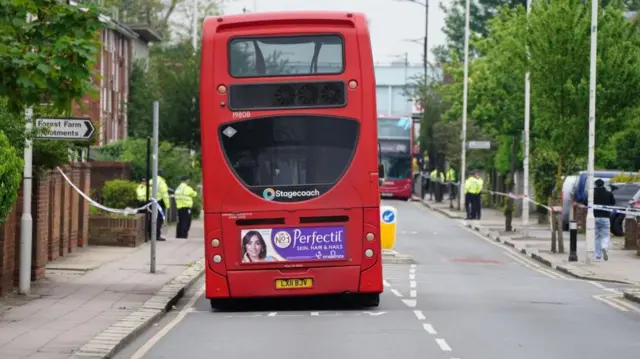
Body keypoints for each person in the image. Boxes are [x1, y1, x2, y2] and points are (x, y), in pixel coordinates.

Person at [589, 179, 615, 261]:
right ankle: (604, 246)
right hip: (605, 217)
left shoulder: (592, 194)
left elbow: (585, 202)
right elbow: (613, 203)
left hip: (595, 217)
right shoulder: (608, 193)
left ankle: (598, 256)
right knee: (606, 235)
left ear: (595, 185)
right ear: (603, 185)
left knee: (596, 237)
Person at [148, 169, 170, 241]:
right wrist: (167, 205)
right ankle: (157, 236)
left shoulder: (150, 181)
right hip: (158, 203)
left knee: (151, 219)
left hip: (150, 202)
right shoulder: (161, 182)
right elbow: (165, 195)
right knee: (158, 220)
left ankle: (150, 235)